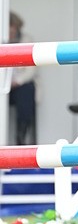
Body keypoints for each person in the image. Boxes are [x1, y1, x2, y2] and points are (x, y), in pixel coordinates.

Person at [7, 12, 36, 143]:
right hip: (3, 87)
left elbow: (31, 71)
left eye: (12, 26)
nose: (10, 30)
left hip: (19, 86)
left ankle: (21, 136)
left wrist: (16, 82)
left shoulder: (26, 40)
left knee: (27, 90)